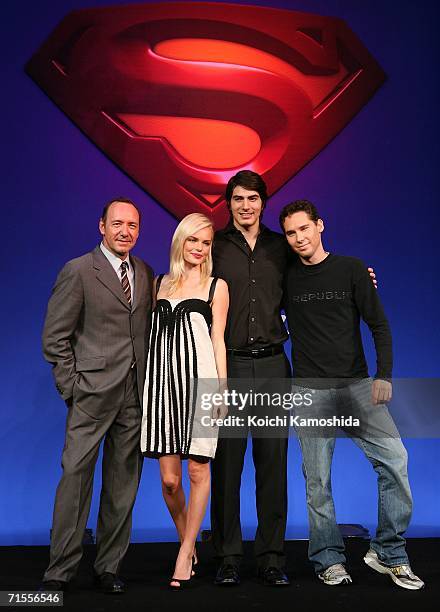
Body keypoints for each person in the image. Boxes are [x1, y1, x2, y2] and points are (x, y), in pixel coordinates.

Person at [280, 199, 424, 590]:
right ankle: (327, 558)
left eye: (304, 229)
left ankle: (388, 552)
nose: (298, 238)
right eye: (291, 233)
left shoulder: (353, 270)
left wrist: (385, 375)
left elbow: (379, 325)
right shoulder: (285, 277)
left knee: (395, 461)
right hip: (309, 390)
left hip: (358, 387)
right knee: (318, 481)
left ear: (319, 226)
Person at [40, 198, 153, 593]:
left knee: (123, 485)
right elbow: (55, 338)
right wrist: (72, 387)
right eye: (118, 223)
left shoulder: (144, 271)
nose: (126, 231)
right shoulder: (78, 270)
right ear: (101, 226)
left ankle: (109, 568)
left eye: (133, 225)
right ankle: (60, 571)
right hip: (91, 393)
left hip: (135, 397)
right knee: (75, 479)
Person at [210, 171, 292, 587]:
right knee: (226, 466)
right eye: (239, 198)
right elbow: (188, 279)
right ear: (229, 203)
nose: (246, 206)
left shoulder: (282, 247)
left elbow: (310, 280)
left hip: (275, 366)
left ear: (263, 202)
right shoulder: (215, 246)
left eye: (254, 198)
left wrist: (354, 281)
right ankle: (227, 556)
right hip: (230, 367)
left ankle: (272, 557)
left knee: (273, 467)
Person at [141, 213, 229, 589]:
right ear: (180, 241)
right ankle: (186, 541)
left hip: (201, 385)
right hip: (162, 387)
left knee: (197, 472)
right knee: (170, 481)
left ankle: (185, 551)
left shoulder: (216, 286)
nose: (199, 248)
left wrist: (222, 389)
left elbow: (218, 340)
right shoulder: (159, 283)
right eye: (193, 240)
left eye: (206, 242)